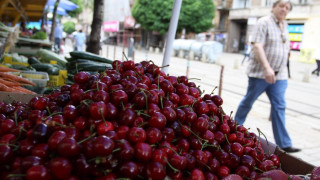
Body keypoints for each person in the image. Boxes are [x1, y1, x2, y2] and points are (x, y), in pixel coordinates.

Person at [234, 0, 301, 153]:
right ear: (273, 7)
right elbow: (257, 46)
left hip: (280, 75)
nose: (284, 9)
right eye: (281, 6)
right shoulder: (263, 22)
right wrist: (267, 68)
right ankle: (234, 128)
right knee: (248, 101)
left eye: (287, 8)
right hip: (260, 73)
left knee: (279, 106)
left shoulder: (285, 26)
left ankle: (284, 144)